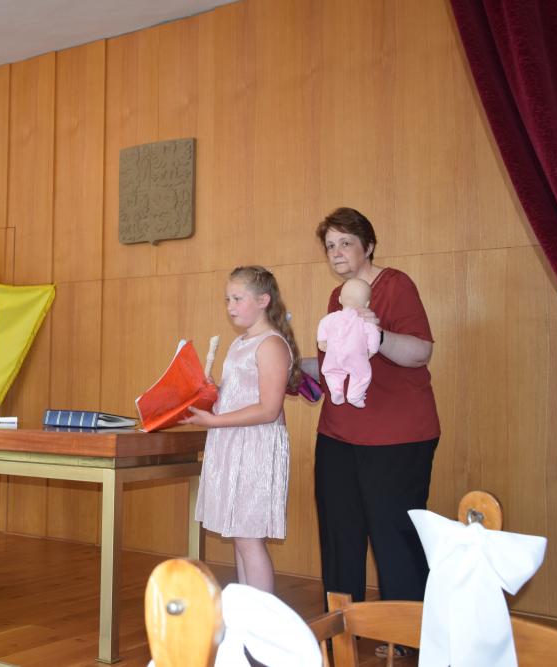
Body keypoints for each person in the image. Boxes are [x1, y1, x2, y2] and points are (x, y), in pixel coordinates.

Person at [301, 207, 440, 659]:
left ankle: (408, 637)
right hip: (339, 434)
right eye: (330, 246)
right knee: (339, 534)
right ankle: (344, 629)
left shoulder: (395, 286)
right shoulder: (337, 297)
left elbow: (420, 352)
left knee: (394, 536)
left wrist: (376, 335)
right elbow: (334, 364)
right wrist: (288, 366)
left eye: (346, 242)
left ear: (369, 246)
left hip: (398, 436)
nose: (337, 252)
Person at [181, 266, 302, 593]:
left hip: (255, 446)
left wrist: (213, 421)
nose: (230, 306)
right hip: (234, 442)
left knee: (249, 537)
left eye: (237, 298)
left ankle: (261, 616)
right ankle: (248, 612)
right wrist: (212, 392)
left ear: (263, 300)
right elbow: (240, 394)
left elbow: (268, 409)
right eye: (227, 299)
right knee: (239, 534)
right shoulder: (239, 343)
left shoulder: (271, 344)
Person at [316, 277, 380, 408]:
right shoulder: (364, 320)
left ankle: (336, 390)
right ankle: (354, 396)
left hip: (334, 354)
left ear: (340, 299)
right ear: (367, 304)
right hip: (355, 355)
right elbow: (374, 333)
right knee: (361, 375)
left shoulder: (332, 317)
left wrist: (321, 340)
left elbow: (322, 324)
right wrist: (373, 349)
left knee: (331, 372)